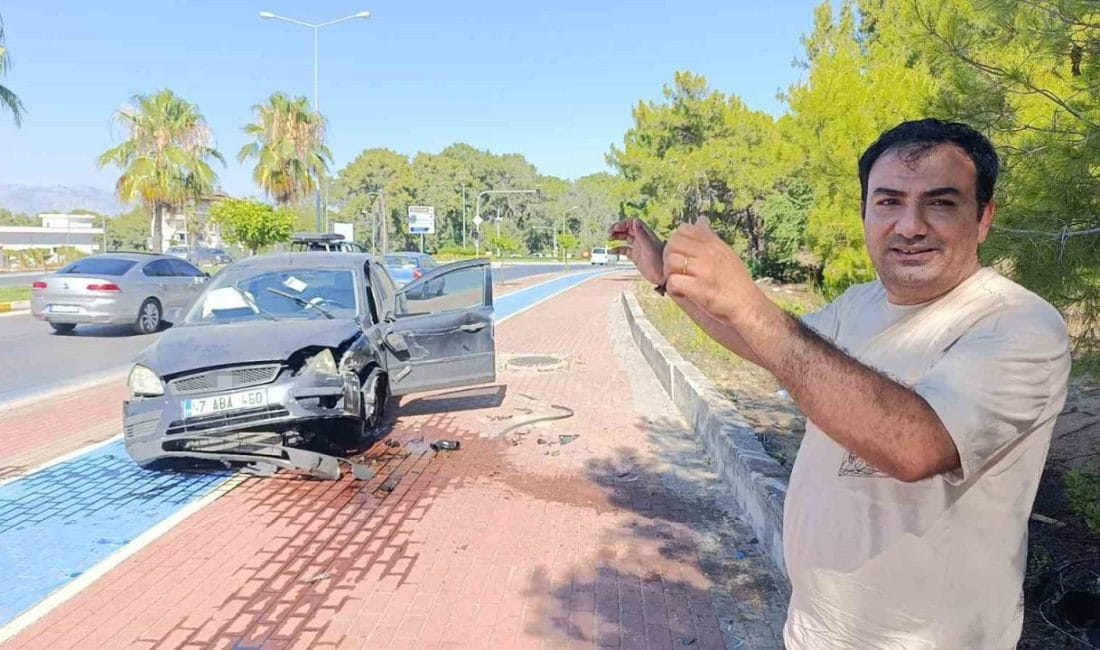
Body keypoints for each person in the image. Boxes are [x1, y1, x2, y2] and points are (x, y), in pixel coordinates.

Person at [610, 118, 1071, 649]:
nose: (910, 226)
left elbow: (916, 447)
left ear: (983, 217)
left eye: (941, 203)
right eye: (889, 201)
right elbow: (773, 349)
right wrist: (670, 280)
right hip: (815, 632)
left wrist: (748, 300)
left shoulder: (1018, 325)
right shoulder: (861, 303)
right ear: (864, 213)